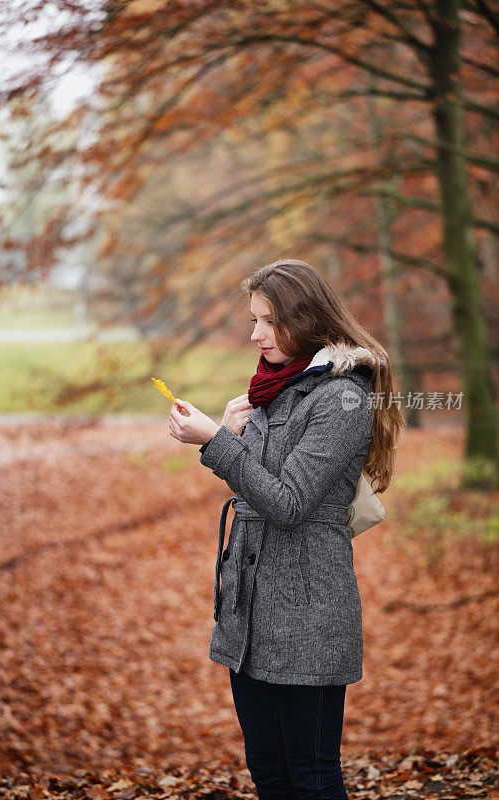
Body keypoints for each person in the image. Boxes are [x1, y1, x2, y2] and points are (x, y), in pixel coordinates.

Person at [168, 259, 404, 800]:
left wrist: (214, 442)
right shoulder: (275, 387)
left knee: (312, 778)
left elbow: (290, 502)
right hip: (250, 617)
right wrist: (231, 433)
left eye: (268, 321)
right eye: (254, 320)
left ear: (306, 317)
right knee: (270, 775)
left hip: (307, 618)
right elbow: (258, 490)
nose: (256, 334)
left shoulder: (343, 396)